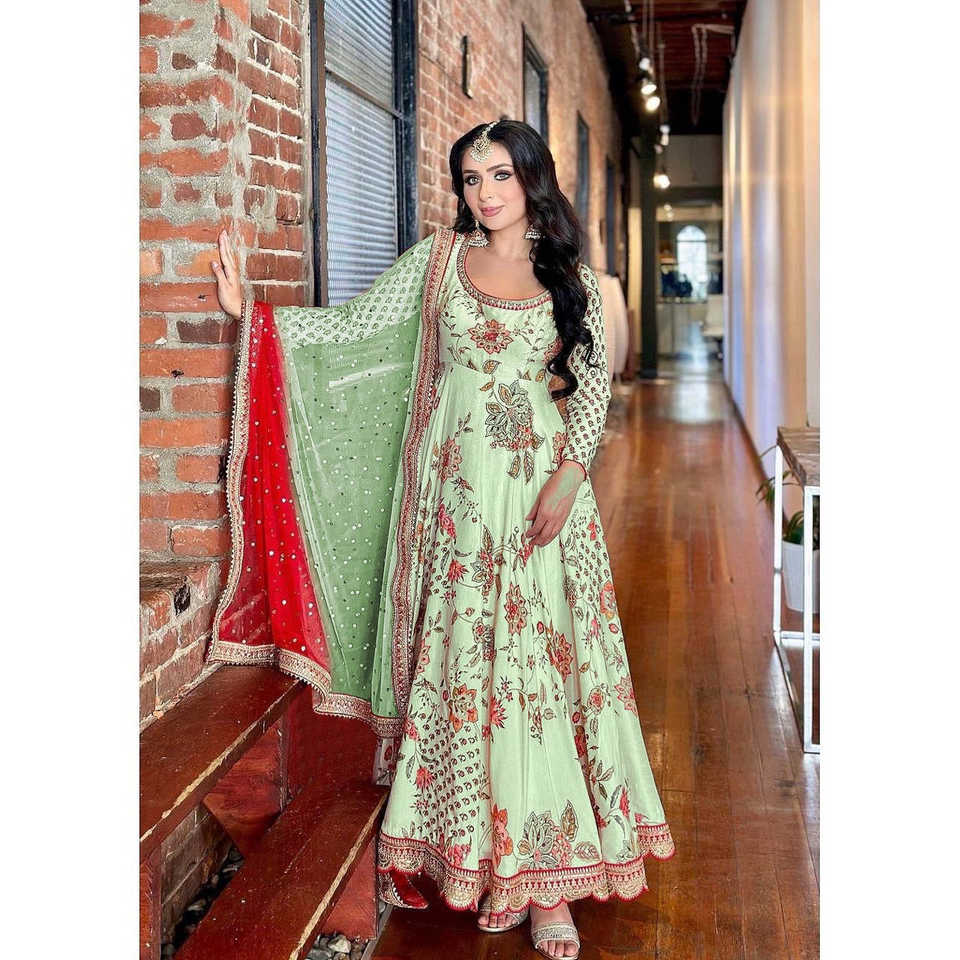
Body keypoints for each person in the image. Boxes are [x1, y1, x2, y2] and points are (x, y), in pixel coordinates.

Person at [209, 119, 674, 959]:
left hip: (540, 503)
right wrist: (259, 320)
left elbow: (590, 387)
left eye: (500, 175)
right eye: (470, 178)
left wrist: (570, 478)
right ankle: (478, 858)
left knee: (536, 679)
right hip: (455, 506)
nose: (485, 193)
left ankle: (548, 888)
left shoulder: (570, 276)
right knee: (467, 677)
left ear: (532, 178)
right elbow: (354, 330)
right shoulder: (438, 263)